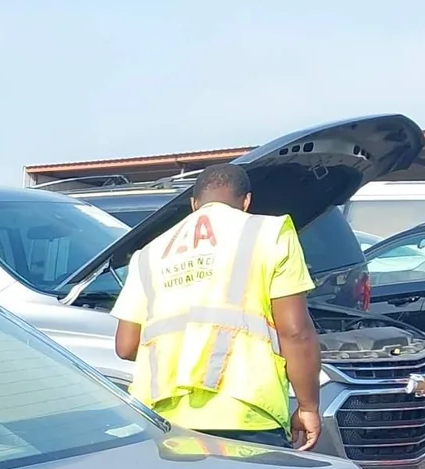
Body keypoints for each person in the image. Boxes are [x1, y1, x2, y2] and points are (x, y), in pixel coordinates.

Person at [111, 163, 321, 450]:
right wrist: (308, 407)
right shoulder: (269, 233)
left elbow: (125, 346)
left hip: (164, 420)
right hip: (247, 412)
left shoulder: (148, 254)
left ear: (194, 204)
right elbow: (295, 332)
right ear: (246, 202)